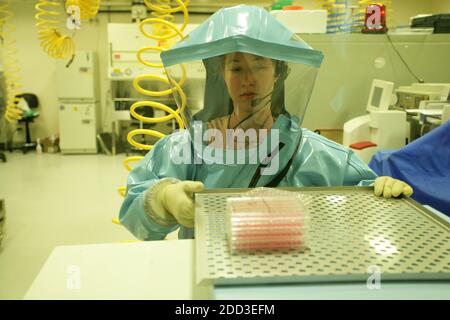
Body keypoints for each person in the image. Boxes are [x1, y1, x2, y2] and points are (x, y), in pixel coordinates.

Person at [119, 5, 413, 241]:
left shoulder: (310, 153)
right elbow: (134, 211)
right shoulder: (189, 147)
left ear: (278, 73)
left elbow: (367, 195)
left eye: (260, 65)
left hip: (291, 277)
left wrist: (383, 190)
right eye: (236, 67)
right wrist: (162, 199)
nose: (248, 79)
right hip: (208, 277)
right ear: (221, 76)